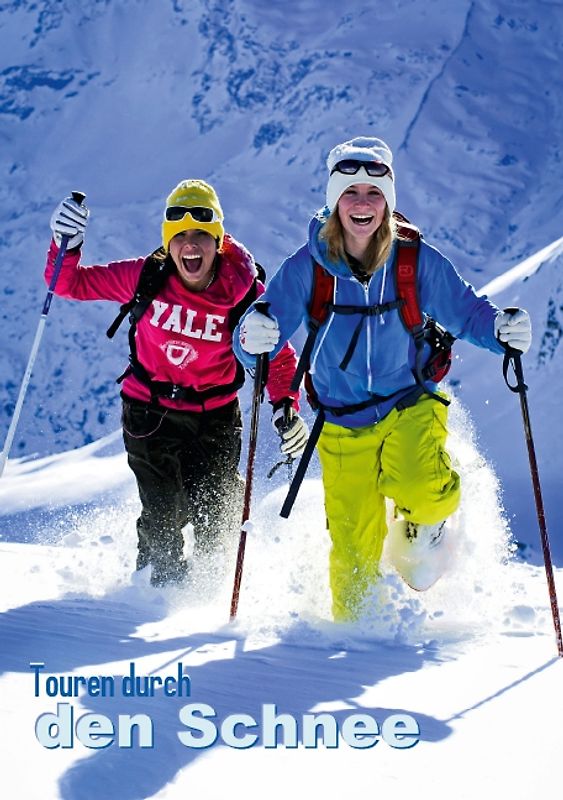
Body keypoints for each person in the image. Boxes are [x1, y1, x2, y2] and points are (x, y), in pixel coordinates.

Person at [235, 136, 532, 621]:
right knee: (354, 554)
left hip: (408, 401)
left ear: (389, 202)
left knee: (423, 487)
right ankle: (357, 638)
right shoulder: (307, 268)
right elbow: (256, 339)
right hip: (340, 420)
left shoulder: (414, 260)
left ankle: (423, 529)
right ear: (334, 201)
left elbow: (466, 311)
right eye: (351, 193)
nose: (362, 204)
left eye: (374, 194)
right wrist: (253, 338)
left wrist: (500, 330)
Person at [46, 179, 308, 587]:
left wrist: (285, 406)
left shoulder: (241, 292)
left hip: (216, 416)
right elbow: (68, 283)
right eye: (180, 236)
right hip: (149, 412)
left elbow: (276, 354)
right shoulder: (145, 276)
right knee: (163, 513)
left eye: (202, 235)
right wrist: (68, 244)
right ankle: (153, 593)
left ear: (217, 241)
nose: (191, 246)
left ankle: (211, 596)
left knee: (216, 512)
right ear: (168, 243)